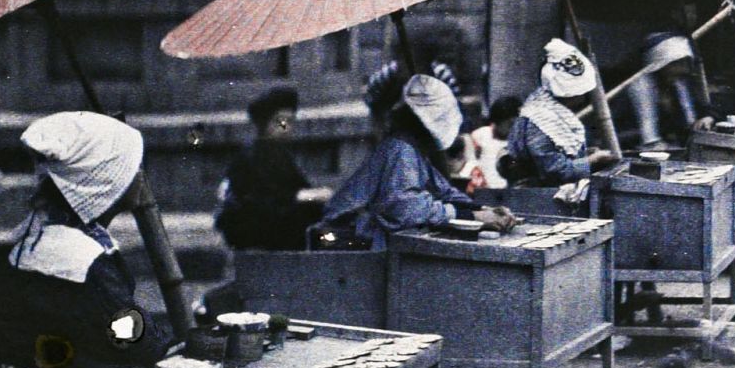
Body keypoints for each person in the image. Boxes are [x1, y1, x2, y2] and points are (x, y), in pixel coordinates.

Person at [0, 112, 167, 368]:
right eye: (134, 168)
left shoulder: (43, 236)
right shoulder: (80, 263)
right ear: (106, 181)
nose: (141, 176)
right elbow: (141, 345)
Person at [317, 71, 513, 249]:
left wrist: (483, 209)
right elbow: (406, 208)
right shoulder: (401, 150)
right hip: (346, 239)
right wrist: (473, 216)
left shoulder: (415, 152)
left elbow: (443, 190)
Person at [214, 85, 323, 252]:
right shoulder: (253, 155)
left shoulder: (280, 153)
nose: (286, 127)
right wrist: (301, 197)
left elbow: (298, 187)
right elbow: (259, 199)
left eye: (290, 121)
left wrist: (312, 196)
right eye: (280, 121)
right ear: (265, 123)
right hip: (254, 225)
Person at [503, 39, 617, 186]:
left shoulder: (556, 111)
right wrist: (592, 161)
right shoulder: (540, 119)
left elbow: (559, 154)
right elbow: (554, 171)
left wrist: (584, 154)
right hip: (537, 193)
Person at [629, 31, 716, 149]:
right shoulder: (639, 89)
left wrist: (707, 117)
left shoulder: (680, 85)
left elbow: (703, 109)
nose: (683, 69)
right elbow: (632, 133)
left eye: (684, 63)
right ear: (660, 65)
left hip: (676, 148)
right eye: (676, 64)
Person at [469, 96, 521, 189]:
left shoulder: (518, 142)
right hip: (484, 187)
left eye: (515, 124)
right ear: (498, 120)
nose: (513, 128)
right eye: (510, 124)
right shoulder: (480, 135)